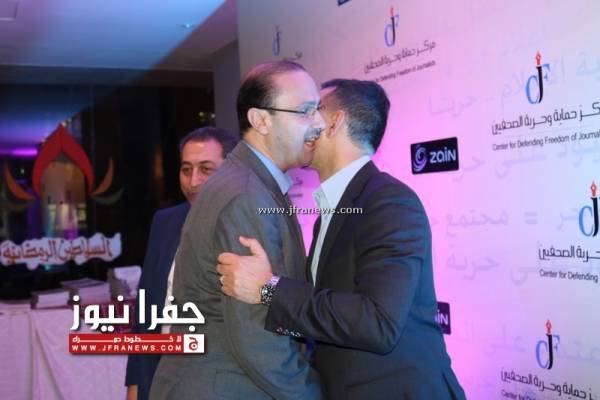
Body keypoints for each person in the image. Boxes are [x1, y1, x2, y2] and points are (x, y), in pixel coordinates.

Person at [217, 79, 466, 399]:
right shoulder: (336, 208)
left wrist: (268, 289)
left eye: (312, 111)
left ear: (334, 122)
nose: (303, 123)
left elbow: (377, 323)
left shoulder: (388, 202)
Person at [149, 61, 324, 400]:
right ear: (260, 120)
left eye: (318, 109)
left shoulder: (251, 182)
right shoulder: (246, 195)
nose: (318, 122)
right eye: (305, 111)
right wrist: (312, 394)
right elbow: (256, 334)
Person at [125, 127, 238, 400]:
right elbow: (146, 310)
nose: (193, 181)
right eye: (186, 170)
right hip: (161, 378)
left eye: (206, 169)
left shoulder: (245, 227)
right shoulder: (165, 222)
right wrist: (135, 384)